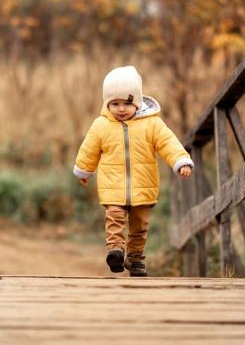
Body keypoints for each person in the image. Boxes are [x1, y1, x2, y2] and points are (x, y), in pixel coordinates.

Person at [73, 66, 193, 277]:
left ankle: (135, 258)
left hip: (144, 186)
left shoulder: (152, 124)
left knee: (139, 226)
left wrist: (181, 161)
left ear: (137, 102)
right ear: (107, 104)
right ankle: (116, 251)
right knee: (115, 218)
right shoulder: (101, 125)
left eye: (127, 103)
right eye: (115, 104)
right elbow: (89, 150)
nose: (121, 109)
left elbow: (168, 143)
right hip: (113, 186)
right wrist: (84, 171)